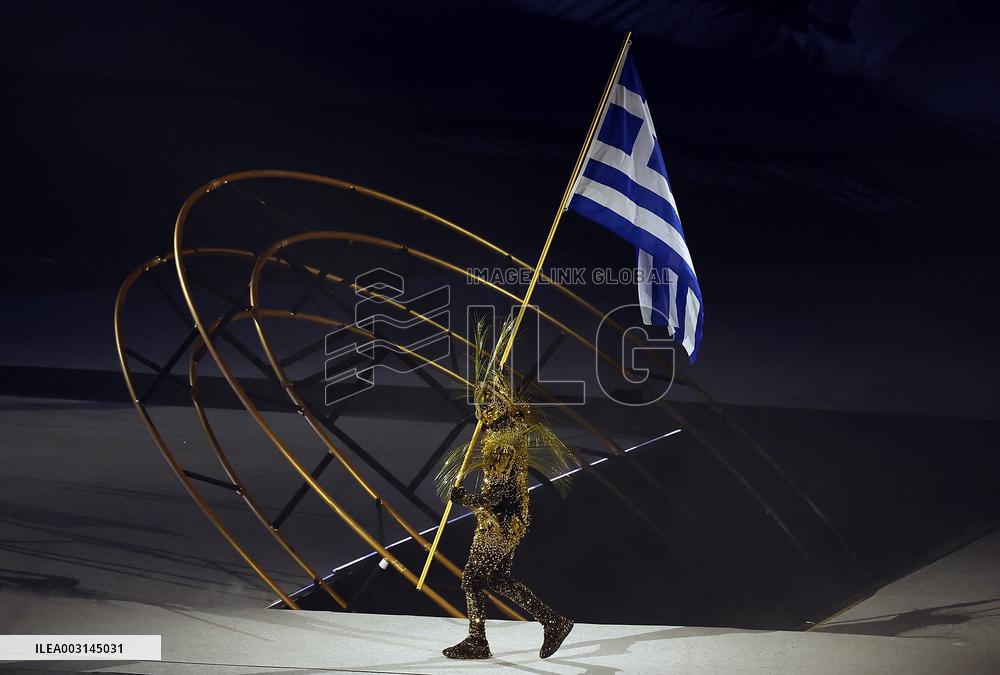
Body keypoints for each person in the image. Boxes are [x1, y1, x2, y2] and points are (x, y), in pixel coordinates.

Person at [436, 318, 576, 660]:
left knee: (471, 577)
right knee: (496, 578)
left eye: (487, 404)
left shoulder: (503, 441)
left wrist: (464, 499)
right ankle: (553, 621)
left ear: (500, 404)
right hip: (509, 521)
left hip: (500, 522)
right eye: (479, 404)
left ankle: (478, 640)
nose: (481, 411)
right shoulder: (508, 430)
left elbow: (497, 495)